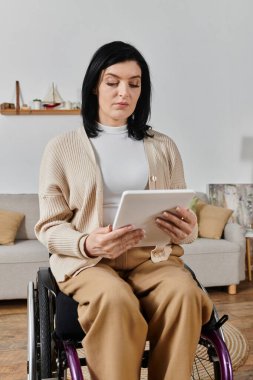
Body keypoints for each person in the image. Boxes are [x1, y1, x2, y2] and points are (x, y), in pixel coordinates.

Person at [35, 41, 213, 380]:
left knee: (184, 294)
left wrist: (188, 228)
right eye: (112, 81)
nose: (124, 92)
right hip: (90, 263)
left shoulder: (163, 145)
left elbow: (184, 218)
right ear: (93, 87)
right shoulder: (61, 148)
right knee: (116, 301)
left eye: (134, 83)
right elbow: (49, 227)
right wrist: (87, 243)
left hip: (153, 258)